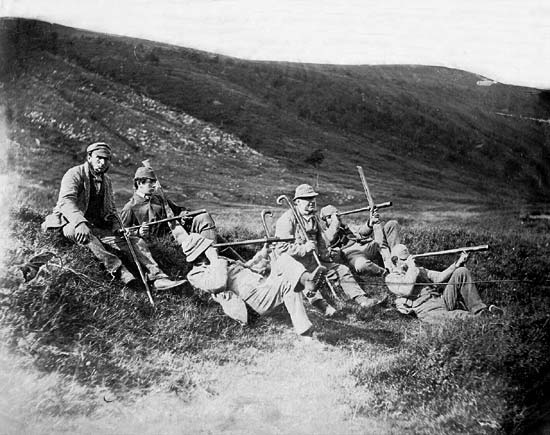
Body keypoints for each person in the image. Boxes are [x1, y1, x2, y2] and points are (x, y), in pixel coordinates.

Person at [41, 142, 183, 290]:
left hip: (97, 228)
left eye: (106, 159)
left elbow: (111, 210)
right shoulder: (74, 174)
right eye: (99, 158)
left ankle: (158, 277)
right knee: (84, 235)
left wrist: (118, 227)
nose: (102, 163)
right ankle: (122, 273)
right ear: (89, 157)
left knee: (135, 241)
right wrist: (79, 223)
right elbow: (66, 202)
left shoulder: (106, 181)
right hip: (68, 223)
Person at [182, 233, 325, 338]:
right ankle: (306, 333)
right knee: (288, 284)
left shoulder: (219, 260)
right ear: (201, 253)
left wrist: (262, 254)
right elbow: (218, 283)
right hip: (251, 300)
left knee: (283, 259)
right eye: (208, 247)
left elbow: (246, 268)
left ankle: (308, 281)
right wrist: (215, 260)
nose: (212, 247)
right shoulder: (195, 274)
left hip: (261, 286)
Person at [274, 184, 382, 315]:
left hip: (314, 260)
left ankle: (362, 300)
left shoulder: (313, 219)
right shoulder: (288, 219)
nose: (312, 202)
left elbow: (321, 243)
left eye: (313, 198)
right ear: (297, 202)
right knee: (307, 281)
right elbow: (281, 249)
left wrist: (327, 257)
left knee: (342, 269)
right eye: (307, 199)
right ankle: (325, 308)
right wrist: (304, 248)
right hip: (295, 264)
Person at [385, 244, 503, 323]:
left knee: (462, 271)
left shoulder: (417, 269)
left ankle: (480, 310)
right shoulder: (391, 278)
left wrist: (457, 264)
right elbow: (406, 289)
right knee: (458, 316)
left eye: (409, 258)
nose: (409, 262)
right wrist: (411, 268)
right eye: (404, 260)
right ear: (395, 260)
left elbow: (439, 277)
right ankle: (487, 320)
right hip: (426, 310)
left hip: (440, 300)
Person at [121, 166, 217, 244]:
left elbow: (178, 211)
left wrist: (184, 215)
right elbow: (122, 232)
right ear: (139, 183)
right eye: (150, 182)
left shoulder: (159, 199)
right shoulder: (129, 207)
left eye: (155, 182)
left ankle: (214, 254)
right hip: (158, 245)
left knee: (204, 217)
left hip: (179, 234)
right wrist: (138, 232)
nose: (154, 185)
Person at [320, 204, 401, 276]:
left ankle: (397, 261)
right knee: (361, 265)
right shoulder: (325, 233)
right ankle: (386, 273)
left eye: (337, 215)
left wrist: (370, 223)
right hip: (352, 255)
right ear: (324, 221)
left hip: (368, 246)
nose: (336, 219)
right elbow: (329, 239)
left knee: (392, 224)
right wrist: (335, 223)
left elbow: (362, 231)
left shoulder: (347, 227)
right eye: (330, 217)